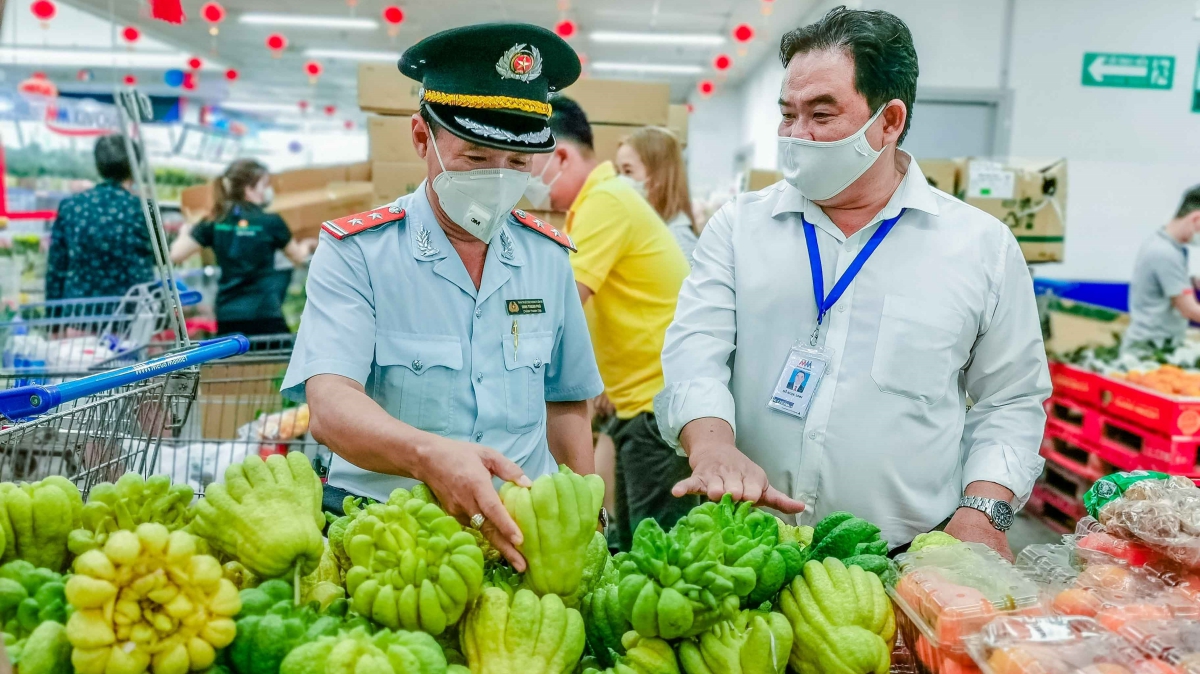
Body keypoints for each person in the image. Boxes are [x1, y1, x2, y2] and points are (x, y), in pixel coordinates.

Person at [656, 6, 1051, 559]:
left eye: (821, 114)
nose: (797, 136)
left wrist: (984, 509)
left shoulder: (979, 247)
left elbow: (1011, 397)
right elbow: (695, 350)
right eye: (788, 114)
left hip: (908, 556)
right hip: (747, 544)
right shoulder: (740, 228)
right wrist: (712, 446)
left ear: (888, 121)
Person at [280, 24, 604, 570]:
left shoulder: (546, 256)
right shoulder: (359, 253)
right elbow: (331, 406)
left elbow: (567, 398)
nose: (498, 179)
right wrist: (429, 457)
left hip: (521, 533)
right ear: (419, 137)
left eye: (518, 165)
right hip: (387, 534)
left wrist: (587, 509)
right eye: (476, 159)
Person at [526, 97, 695, 551]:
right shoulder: (599, 202)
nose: (526, 180)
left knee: (658, 552)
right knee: (627, 536)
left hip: (654, 405)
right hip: (634, 401)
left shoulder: (606, 201)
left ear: (560, 156)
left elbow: (558, 309)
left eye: (527, 165)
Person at [169, 159, 315, 337]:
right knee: (276, 363)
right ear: (249, 188)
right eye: (265, 184)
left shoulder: (215, 221)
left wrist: (185, 232)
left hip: (229, 315)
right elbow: (298, 258)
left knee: (235, 363)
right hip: (265, 313)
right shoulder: (271, 222)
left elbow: (175, 255)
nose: (268, 190)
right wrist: (307, 245)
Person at [46, 135, 155, 300]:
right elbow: (161, 256)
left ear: (98, 166)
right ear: (135, 166)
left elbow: (57, 267)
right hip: (134, 313)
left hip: (81, 313)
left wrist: (52, 320)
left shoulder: (71, 206)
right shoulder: (143, 208)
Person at [1122, 185, 1200, 351]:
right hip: (1149, 351)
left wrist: (1192, 281)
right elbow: (1189, 309)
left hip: (1157, 345)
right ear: (1196, 219)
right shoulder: (1165, 253)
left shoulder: (1165, 244)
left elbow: (1168, 283)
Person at [614, 127, 702, 265]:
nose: (619, 180)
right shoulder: (648, 227)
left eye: (628, 171)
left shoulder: (679, 241)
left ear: (659, 176)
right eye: (618, 171)